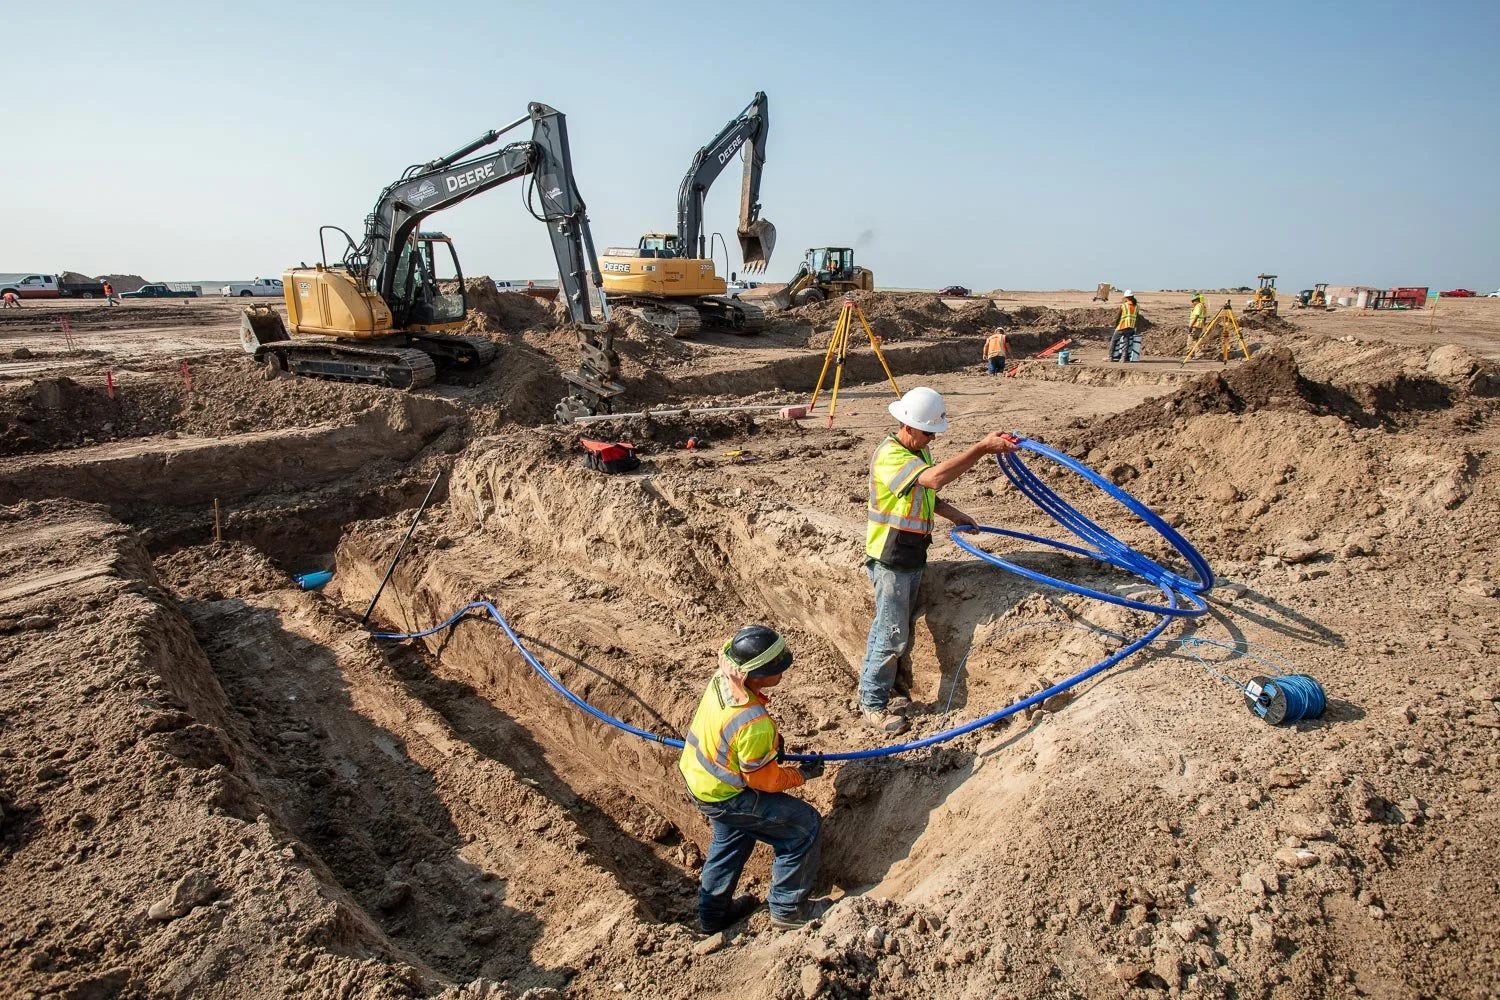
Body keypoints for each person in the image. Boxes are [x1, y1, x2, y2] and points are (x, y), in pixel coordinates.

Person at [860, 387, 1018, 733]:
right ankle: (873, 703)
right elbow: (931, 479)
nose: (931, 437)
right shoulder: (891, 455)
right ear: (907, 425)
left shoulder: (919, 451)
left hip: (911, 554)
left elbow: (928, 492)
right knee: (890, 634)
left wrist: (955, 515)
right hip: (891, 558)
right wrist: (979, 449)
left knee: (894, 631)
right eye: (927, 431)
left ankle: (889, 692)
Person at [678, 625, 829, 933]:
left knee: (732, 841)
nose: (783, 671)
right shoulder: (755, 724)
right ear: (756, 676)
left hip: (702, 779)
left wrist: (768, 749)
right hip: (728, 794)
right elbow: (764, 781)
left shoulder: (723, 677)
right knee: (803, 828)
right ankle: (788, 909)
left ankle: (713, 917)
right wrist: (800, 774)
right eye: (778, 668)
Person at [1111, 290, 1139, 362]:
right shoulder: (1136, 306)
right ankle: (1123, 358)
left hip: (1122, 326)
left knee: (1114, 340)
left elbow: (1118, 317)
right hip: (1131, 326)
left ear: (1126, 298)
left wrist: (1115, 325)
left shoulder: (1124, 306)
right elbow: (1137, 317)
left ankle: (1110, 356)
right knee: (1126, 341)